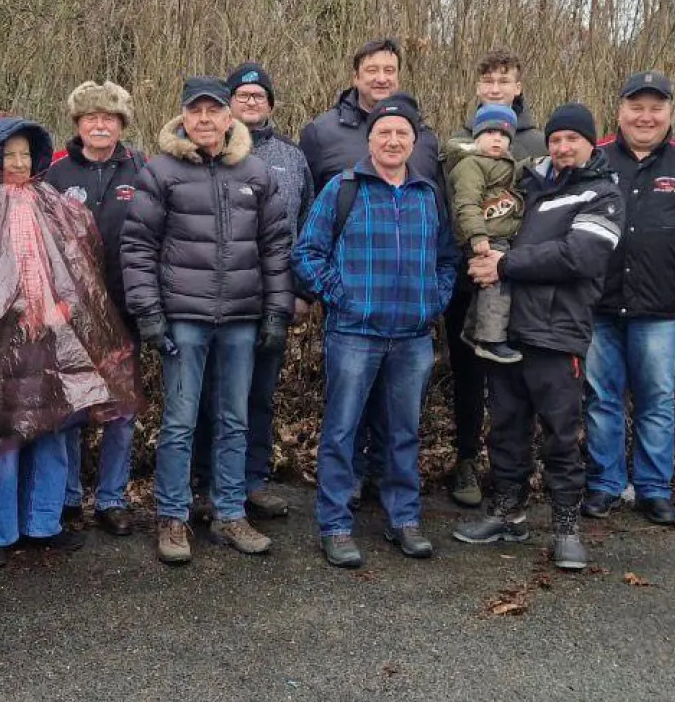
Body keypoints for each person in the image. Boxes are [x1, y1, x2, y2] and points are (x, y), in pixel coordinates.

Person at [0, 116, 138, 569]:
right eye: (8, 154)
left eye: (25, 154)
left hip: (55, 336)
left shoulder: (59, 206)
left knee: (53, 427)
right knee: (0, 432)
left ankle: (44, 523)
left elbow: (84, 267)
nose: (17, 163)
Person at [122, 77, 292, 565]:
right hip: (184, 318)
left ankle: (230, 512)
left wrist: (277, 311)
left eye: (212, 111)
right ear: (182, 117)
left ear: (228, 118)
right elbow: (138, 247)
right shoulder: (161, 172)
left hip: (241, 317)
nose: (203, 120)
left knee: (235, 420)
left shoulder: (255, 172)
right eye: (194, 111)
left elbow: (276, 248)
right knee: (179, 421)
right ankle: (173, 517)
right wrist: (149, 313)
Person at [452, 103, 624, 571]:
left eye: (573, 139)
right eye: (556, 139)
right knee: (505, 426)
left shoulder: (603, 194)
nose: (564, 147)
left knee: (561, 434)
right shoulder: (526, 185)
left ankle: (567, 526)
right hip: (507, 329)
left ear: (592, 142)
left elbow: (579, 257)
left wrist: (506, 264)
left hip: (557, 333)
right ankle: (508, 510)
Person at [293, 95, 457, 567]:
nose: (392, 140)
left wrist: (435, 299)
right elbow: (307, 254)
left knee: (403, 432)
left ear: (412, 141)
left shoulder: (427, 193)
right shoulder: (343, 188)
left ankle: (403, 518)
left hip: (413, 337)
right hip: (354, 334)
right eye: (383, 133)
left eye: (401, 134)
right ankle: (336, 525)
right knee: (342, 430)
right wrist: (340, 297)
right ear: (369, 141)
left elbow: (448, 259)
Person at [583, 71, 675, 525]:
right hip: (598, 305)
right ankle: (604, 483)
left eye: (655, 108)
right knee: (600, 397)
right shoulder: (594, 158)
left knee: (657, 399)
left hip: (661, 309)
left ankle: (653, 487)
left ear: (669, 112)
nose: (645, 117)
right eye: (636, 107)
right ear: (620, 110)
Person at [188, 62, 314, 520]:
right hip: (217, 296)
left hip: (272, 296)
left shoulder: (293, 157)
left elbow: (304, 227)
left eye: (259, 96)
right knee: (207, 395)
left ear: (271, 105)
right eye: (242, 96)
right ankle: (204, 482)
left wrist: (299, 292)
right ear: (227, 106)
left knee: (259, 394)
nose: (251, 102)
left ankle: (252, 480)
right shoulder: (206, 155)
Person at [446, 47, 546, 508]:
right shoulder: (459, 142)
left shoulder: (536, 143)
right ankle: (466, 460)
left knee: (512, 376)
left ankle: (511, 470)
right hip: (468, 274)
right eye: (488, 82)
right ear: (477, 88)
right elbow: (454, 203)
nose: (495, 89)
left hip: (520, 277)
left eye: (504, 81)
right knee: (467, 373)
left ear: (518, 87)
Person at [45, 80, 146, 536]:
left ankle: (111, 498)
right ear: (77, 124)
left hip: (126, 308)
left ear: (121, 124)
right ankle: (66, 497)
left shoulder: (142, 169)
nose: (100, 125)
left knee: (121, 411)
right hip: (71, 315)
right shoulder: (55, 173)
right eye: (91, 118)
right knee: (70, 411)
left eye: (109, 118)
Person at [300, 38, 441, 190]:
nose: (381, 79)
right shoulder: (320, 134)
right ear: (356, 77)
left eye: (389, 71)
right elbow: (306, 203)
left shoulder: (424, 137)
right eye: (372, 70)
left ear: (398, 78)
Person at [448, 103, 524, 363]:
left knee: (486, 288)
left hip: (501, 235)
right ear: (477, 137)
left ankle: (472, 331)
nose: (497, 139)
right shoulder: (470, 165)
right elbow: (466, 203)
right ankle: (491, 340)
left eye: (503, 135)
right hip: (484, 237)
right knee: (496, 285)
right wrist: (477, 236)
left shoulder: (504, 164)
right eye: (490, 133)